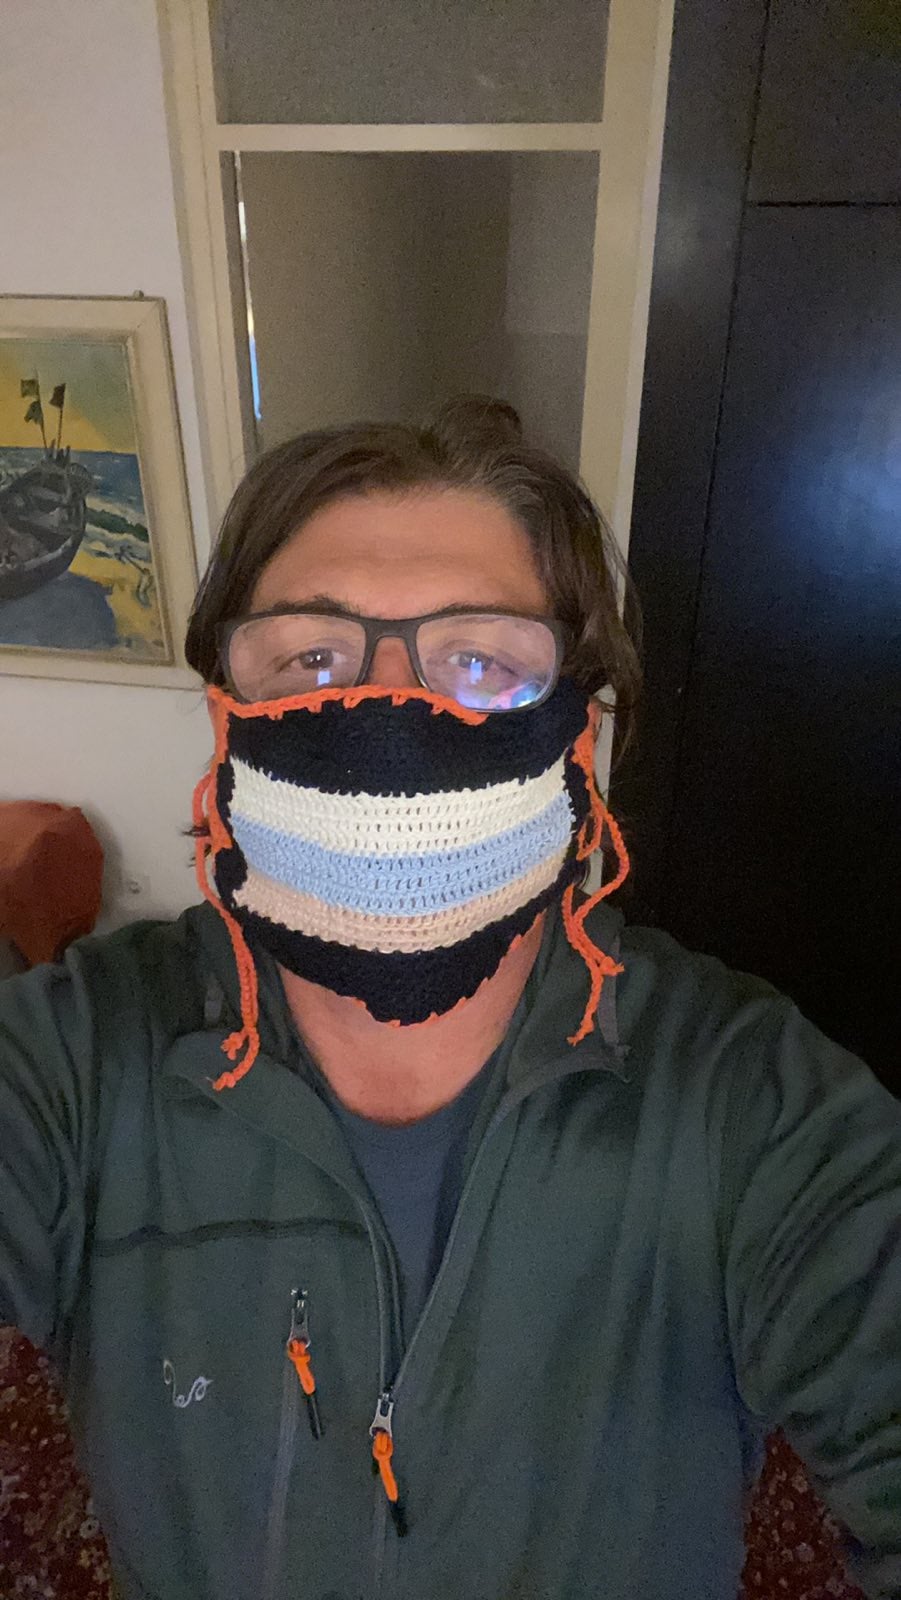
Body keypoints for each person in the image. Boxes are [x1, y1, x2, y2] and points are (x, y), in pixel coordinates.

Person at [1, 397, 899, 1600]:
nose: (390, 711)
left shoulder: (749, 1101)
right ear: (227, 712)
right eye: (312, 658)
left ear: (581, 729)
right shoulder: (78, 1055)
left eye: (478, 661)